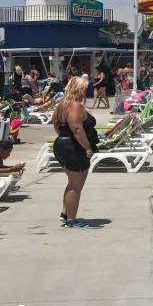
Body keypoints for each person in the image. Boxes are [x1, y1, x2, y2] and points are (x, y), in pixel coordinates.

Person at [51, 77, 98, 227]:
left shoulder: (61, 105)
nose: (86, 91)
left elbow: (56, 124)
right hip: (74, 148)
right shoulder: (75, 105)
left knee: (72, 183)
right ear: (79, 90)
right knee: (76, 186)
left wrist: (63, 139)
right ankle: (71, 220)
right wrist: (87, 147)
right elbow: (77, 128)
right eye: (84, 88)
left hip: (61, 145)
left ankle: (65, 213)